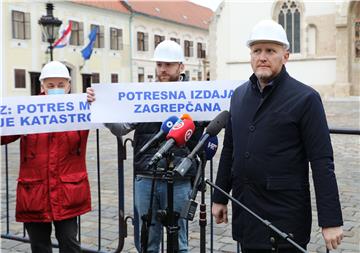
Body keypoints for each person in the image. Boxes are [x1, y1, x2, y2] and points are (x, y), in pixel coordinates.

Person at [211, 20, 344, 253]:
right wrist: (220, 196)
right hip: (247, 213)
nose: (262, 57)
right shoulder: (239, 96)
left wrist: (330, 220)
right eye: (256, 51)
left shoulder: (306, 98)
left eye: (270, 51)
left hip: (284, 216)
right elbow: (230, 149)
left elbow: (322, 161)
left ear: (286, 55)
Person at [87, 40, 204, 252]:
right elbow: (122, 128)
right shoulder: (144, 94)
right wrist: (101, 109)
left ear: (181, 67)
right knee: (147, 242)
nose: (163, 69)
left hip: (179, 179)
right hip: (146, 176)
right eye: (159, 64)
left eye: (168, 65)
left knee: (180, 243)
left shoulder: (195, 95)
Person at [1, 61, 91, 253]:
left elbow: (111, 116)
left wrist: (97, 101)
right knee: (39, 246)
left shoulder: (80, 107)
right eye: (50, 85)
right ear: (42, 86)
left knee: (70, 243)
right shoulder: (28, 109)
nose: (55, 89)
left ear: (68, 86)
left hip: (67, 191)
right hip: (35, 191)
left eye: (60, 85)